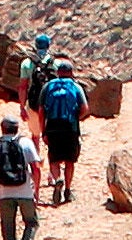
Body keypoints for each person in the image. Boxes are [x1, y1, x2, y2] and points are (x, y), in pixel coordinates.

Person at [0, 111, 43, 240]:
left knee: (8, 227)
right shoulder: (25, 142)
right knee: (32, 222)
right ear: (17, 128)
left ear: (2, 128)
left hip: (4, 192)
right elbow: (35, 167)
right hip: (25, 190)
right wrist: (36, 189)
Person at [32, 53, 89, 203]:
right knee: (70, 161)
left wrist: (43, 130)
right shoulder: (76, 87)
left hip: (53, 127)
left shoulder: (48, 87)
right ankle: (68, 190)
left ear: (57, 72)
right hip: (70, 128)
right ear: (71, 72)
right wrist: (76, 119)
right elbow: (85, 108)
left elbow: (42, 111)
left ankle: (57, 179)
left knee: (54, 160)